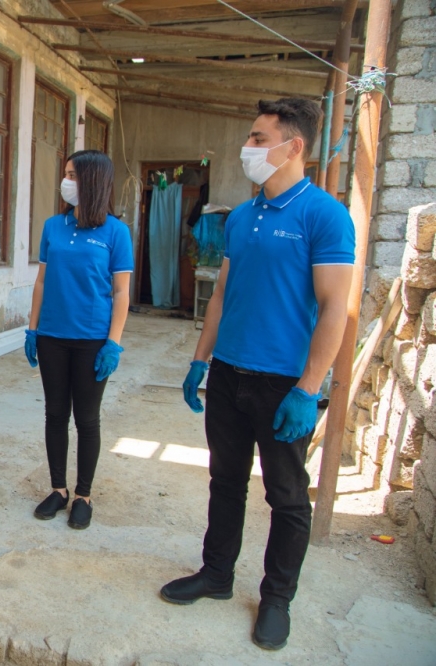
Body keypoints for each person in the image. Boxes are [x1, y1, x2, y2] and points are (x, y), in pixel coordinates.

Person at [161, 98, 354, 651]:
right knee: (225, 481)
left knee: (287, 496)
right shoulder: (243, 216)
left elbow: (334, 308)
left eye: (258, 138)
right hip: (228, 374)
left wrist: (308, 389)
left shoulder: (324, 215)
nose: (247, 147)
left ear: (293, 147)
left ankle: (276, 599)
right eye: (250, 137)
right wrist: (200, 360)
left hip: (283, 384)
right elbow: (222, 293)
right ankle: (216, 574)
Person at [25, 150, 133, 530]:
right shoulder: (53, 227)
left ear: (92, 181)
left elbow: (121, 292)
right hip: (52, 337)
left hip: (92, 341)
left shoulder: (116, 232)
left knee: (86, 419)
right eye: (66, 174)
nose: (66, 181)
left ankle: (83, 495)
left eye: (73, 175)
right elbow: (41, 281)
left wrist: (113, 343)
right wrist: (33, 328)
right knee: (55, 414)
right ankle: (58, 489)